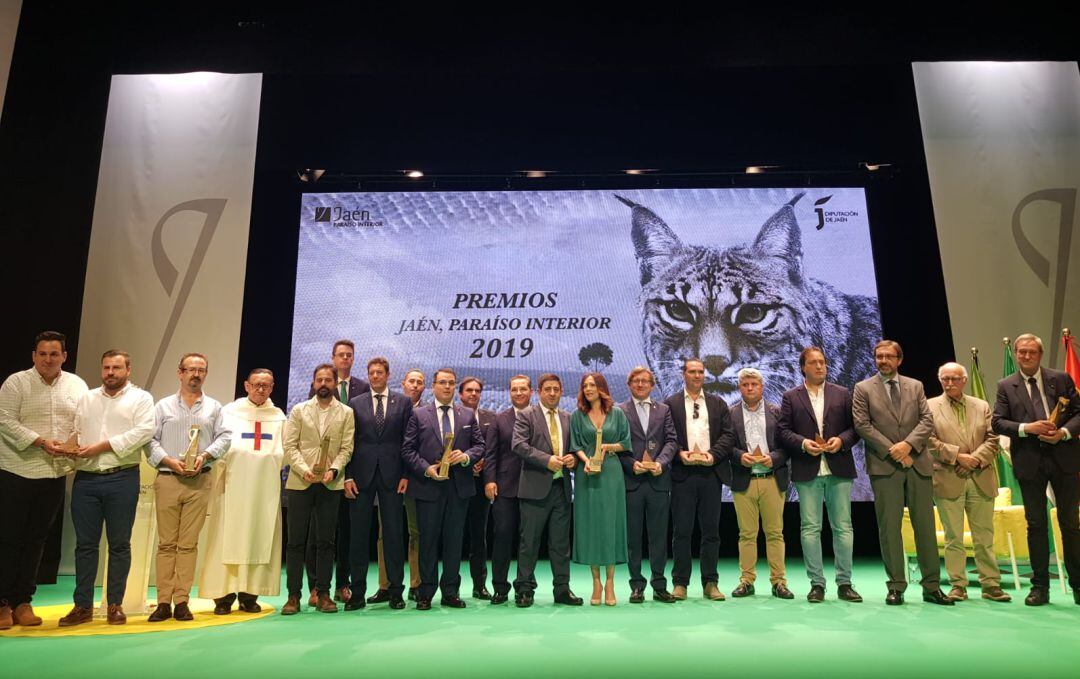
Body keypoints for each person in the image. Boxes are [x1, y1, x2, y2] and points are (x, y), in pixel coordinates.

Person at [57, 350, 154, 627]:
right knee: (85, 546)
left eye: (116, 368)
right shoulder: (87, 397)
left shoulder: (141, 398)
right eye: (107, 368)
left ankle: (115, 605)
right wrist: (68, 447)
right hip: (86, 480)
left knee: (120, 544)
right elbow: (77, 430)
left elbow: (143, 432)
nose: (111, 372)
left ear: (128, 369)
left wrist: (102, 446)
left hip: (121, 477)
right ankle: (82, 606)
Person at [0, 331, 88, 630]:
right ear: (33, 356)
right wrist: (40, 441)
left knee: (37, 540)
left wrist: (74, 442)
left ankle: (23, 601)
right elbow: (4, 419)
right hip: (16, 469)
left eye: (54, 354)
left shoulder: (76, 385)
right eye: (42, 354)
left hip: (53, 473)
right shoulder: (16, 382)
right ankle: (2, 603)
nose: (48, 359)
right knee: (8, 538)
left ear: (64, 356)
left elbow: (83, 420)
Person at [853, 340, 952, 606]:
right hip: (885, 466)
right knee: (890, 529)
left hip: (917, 463)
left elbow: (926, 420)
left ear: (899, 360)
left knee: (925, 527)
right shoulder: (863, 389)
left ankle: (932, 586)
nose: (882, 360)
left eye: (888, 356)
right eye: (878, 356)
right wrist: (893, 450)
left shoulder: (915, 386)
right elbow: (862, 425)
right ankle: (896, 585)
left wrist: (908, 445)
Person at [992, 333, 1080, 606]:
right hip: (1029, 461)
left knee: (1070, 524)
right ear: (1016, 354)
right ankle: (1040, 587)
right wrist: (1026, 428)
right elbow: (997, 423)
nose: (1026, 356)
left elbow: (1079, 411)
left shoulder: (1061, 379)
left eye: (1031, 352)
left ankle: (1078, 584)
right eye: (1021, 352)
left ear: (1040, 354)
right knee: (1036, 525)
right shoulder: (1006, 385)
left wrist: (1064, 432)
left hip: (1063, 458)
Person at [146, 353, 232, 622]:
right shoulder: (162, 407)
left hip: (199, 479)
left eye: (201, 370)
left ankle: (182, 600)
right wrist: (169, 461)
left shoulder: (215, 408)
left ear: (206, 374)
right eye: (191, 370)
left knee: (188, 544)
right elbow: (149, 440)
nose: (196, 374)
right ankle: (163, 602)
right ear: (179, 373)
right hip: (168, 478)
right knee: (166, 543)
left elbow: (225, 436)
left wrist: (205, 456)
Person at [777, 346, 862, 603]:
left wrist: (841, 441)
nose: (819, 366)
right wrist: (803, 443)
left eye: (822, 362)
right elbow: (783, 430)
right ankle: (817, 584)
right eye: (813, 363)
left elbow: (855, 428)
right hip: (807, 468)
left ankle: (844, 583)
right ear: (803, 367)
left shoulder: (842, 393)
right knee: (810, 528)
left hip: (838, 467)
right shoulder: (791, 396)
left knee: (843, 527)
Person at [199, 368, 287, 614]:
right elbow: (218, 446)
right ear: (246, 386)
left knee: (259, 535)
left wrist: (266, 460)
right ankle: (223, 597)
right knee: (227, 536)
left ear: (271, 388)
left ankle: (250, 595)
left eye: (266, 386)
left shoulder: (278, 417)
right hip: (231, 485)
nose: (261, 389)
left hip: (264, 488)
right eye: (256, 384)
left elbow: (286, 451)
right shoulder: (229, 413)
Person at [401, 368, 485, 609]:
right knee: (427, 541)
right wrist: (427, 469)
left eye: (451, 383)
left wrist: (467, 456)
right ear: (434, 386)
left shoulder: (467, 415)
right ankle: (426, 592)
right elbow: (407, 450)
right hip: (428, 487)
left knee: (454, 541)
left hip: (459, 488)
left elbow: (480, 446)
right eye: (442, 383)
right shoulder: (418, 415)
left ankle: (450, 592)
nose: (447, 387)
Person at [927, 362, 1009, 603]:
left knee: (984, 536)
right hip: (947, 477)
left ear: (964, 380)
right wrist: (957, 457)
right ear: (940, 380)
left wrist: (974, 459)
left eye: (954, 378)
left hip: (980, 476)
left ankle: (991, 585)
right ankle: (958, 585)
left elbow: (993, 437)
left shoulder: (981, 405)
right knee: (953, 537)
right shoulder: (929, 406)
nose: (949, 383)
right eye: (945, 379)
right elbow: (928, 440)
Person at [281, 364, 355, 615]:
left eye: (328, 380)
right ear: (313, 383)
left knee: (326, 542)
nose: (323, 384)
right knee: (295, 542)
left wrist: (334, 470)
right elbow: (289, 446)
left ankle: (323, 593)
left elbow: (347, 448)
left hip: (330, 483)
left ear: (335, 383)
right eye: (319, 380)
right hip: (300, 482)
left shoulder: (346, 412)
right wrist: (305, 471)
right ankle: (293, 596)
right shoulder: (299, 410)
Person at [343, 357, 412, 611]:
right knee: (359, 535)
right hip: (361, 476)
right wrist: (347, 475)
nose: (374, 377)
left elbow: (408, 442)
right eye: (371, 373)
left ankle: (395, 591)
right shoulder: (355, 403)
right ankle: (358, 593)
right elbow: (348, 442)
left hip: (394, 477)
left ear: (388, 374)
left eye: (379, 372)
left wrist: (406, 474)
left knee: (394, 534)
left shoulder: (403, 402)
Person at [665, 358, 734, 602]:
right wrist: (679, 453)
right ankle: (680, 583)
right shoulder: (671, 404)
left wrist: (712, 455)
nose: (697, 376)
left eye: (700, 372)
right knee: (681, 531)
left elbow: (728, 435)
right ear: (683, 374)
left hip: (710, 473)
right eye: (692, 372)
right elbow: (667, 436)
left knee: (711, 531)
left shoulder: (717, 403)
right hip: (682, 475)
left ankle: (710, 583)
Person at [305, 339, 369, 605]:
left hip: (348, 472)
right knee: (317, 532)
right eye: (340, 355)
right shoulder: (317, 390)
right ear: (333, 358)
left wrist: (348, 473)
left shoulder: (363, 389)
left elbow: (358, 439)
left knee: (345, 532)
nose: (345, 359)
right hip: (319, 473)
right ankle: (314, 587)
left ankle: (342, 584)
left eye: (349, 355)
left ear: (353, 359)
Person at [511, 373, 582, 608]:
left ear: (561, 391)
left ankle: (562, 589)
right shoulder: (526, 415)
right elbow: (519, 445)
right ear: (539, 392)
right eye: (547, 389)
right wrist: (547, 460)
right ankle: (524, 589)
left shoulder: (568, 418)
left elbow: (573, 450)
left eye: (556, 389)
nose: (552, 393)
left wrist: (572, 459)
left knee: (561, 544)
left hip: (561, 490)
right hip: (534, 489)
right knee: (529, 543)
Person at [728, 368, 792, 600]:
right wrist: (739, 456)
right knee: (747, 534)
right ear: (740, 388)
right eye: (745, 385)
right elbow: (725, 445)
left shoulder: (778, 412)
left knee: (775, 533)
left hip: (772, 479)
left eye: (754, 384)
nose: (750, 388)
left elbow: (788, 446)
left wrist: (773, 459)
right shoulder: (730, 413)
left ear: (762, 386)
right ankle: (747, 580)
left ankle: (779, 582)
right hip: (744, 481)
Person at [571, 372, 632, 606]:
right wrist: (586, 461)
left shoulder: (617, 413)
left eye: (592, 385)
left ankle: (610, 582)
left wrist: (608, 447)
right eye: (585, 385)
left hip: (611, 473)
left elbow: (626, 442)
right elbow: (575, 444)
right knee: (591, 526)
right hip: (587, 474)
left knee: (610, 524)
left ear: (602, 388)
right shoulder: (578, 415)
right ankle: (596, 582)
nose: (588, 389)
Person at [617, 366, 677, 604]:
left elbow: (672, 441)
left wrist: (660, 463)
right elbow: (616, 446)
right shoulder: (619, 411)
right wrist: (632, 464)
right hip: (632, 483)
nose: (640, 385)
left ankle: (660, 585)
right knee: (633, 538)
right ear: (629, 384)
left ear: (652, 385)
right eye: (636, 381)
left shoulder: (663, 410)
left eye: (645, 381)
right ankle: (636, 585)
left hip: (658, 482)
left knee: (659, 537)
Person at [370, 367, 425, 603]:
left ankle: (417, 583)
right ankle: (386, 585)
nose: (415, 385)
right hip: (388, 479)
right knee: (386, 533)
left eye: (419, 382)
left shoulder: (429, 412)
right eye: (411, 381)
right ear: (403, 383)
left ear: (424, 387)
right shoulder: (387, 406)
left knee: (416, 532)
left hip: (417, 480)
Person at [483, 375, 532, 604]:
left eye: (523, 389)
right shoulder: (499, 419)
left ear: (531, 391)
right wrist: (489, 480)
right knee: (502, 537)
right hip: (503, 488)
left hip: (534, 486)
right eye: (515, 389)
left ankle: (525, 588)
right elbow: (491, 453)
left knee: (527, 540)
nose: (519, 393)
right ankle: (500, 588)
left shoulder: (538, 417)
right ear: (510, 392)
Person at [459, 376, 497, 600]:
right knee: (452, 537)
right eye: (469, 390)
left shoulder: (490, 418)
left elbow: (492, 449)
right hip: (456, 484)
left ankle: (479, 584)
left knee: (478, 537)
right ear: (460, 394)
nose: (473, 394)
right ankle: (449, 586)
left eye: (477, 391)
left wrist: (483, 465)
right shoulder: (451, 415)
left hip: (481, 485)